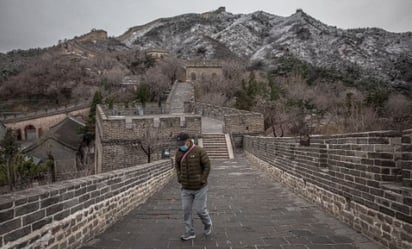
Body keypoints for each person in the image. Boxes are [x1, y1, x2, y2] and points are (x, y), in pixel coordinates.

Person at [175, 132, 212, 241]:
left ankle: (208, 224)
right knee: (186, 210)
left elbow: (207, 166)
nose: (181, 145)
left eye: (182, 143)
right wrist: (179, 177)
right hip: (186, 188)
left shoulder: (199, 151)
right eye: (179, 143)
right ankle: (189, 232)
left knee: (200, 210)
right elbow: (177, 165)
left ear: (188, 141)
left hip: (200, 188)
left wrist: (203, 179)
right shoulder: (178, 152)